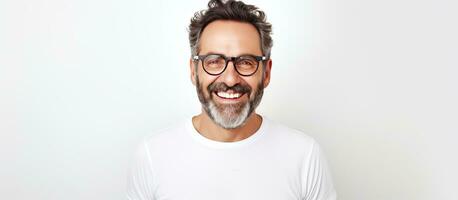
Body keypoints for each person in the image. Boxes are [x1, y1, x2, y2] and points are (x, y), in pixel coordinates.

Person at [126, 0, 337, 199]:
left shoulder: (305, 156)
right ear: (193, 70)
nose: (229, 78)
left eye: (246, 62)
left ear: (266, 73)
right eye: (214, 61)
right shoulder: (152, 156)